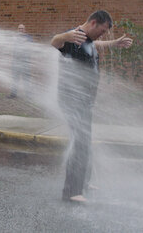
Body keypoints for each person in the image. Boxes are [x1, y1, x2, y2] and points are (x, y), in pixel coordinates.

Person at [51, 10, 133, 202]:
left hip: (85, 103)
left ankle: (83, 182)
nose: (103, 35)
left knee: (85, 142)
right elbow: (55, 42)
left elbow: (95, 44)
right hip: (72, 101)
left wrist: (114, 43)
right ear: (94, 23)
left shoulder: (87, 40)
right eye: (103, 31)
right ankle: (71, 192)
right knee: (80, 144)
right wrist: (65, 35)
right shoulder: (74, 37)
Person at [8, 24, 33, 99]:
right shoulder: (15, 38)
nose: (20, 30)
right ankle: (13, 94)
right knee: (15, 78)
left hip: (25, 62)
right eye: (19, 29)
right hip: (15, 61)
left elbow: (30, 46)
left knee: (26, 79)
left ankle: (28, 95)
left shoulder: (28, 37)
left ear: (24, 30)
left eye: (22, 29)